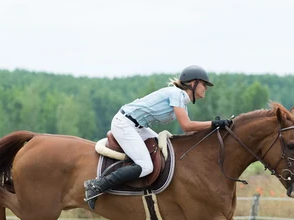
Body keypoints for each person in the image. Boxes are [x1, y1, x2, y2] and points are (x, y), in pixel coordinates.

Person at [84, 65, 233, 210]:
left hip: (137, 127)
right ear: (193, 84)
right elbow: (187, 126)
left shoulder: (181, 101)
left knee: (164, 151)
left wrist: (213, 128)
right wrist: (213, 124)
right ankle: (97, 185)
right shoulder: (177, 95)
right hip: (124, 124)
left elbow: (189, 132)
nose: (206, 88)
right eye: (204, 84)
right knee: (145, 166)